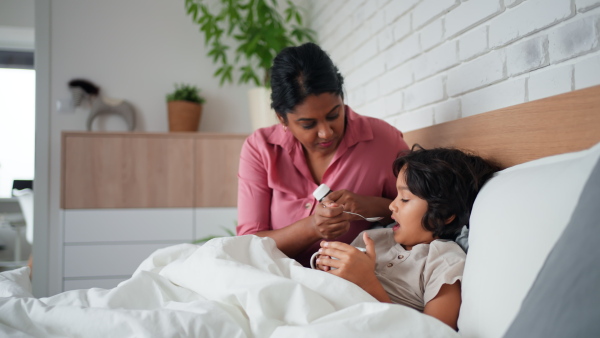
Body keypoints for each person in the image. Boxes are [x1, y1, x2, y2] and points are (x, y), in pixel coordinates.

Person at [236, 42, 409, 267]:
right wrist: (311, 227)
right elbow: (248, 244)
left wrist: (370, 206)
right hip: (275, 276)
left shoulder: (383, 141)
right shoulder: (260, 149)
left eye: (334, 114)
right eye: (308, 124)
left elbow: (423, 211)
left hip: (349, 279)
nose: (326, 132)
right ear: (282, 118)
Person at [314, 146, 499, 329]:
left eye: (404, 199)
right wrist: (326, 265)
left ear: (443, 215)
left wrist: (368, 282)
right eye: (396, 195)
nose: (391, 206)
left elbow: (434, 333)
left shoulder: (443, 261)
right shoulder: (374, 237)